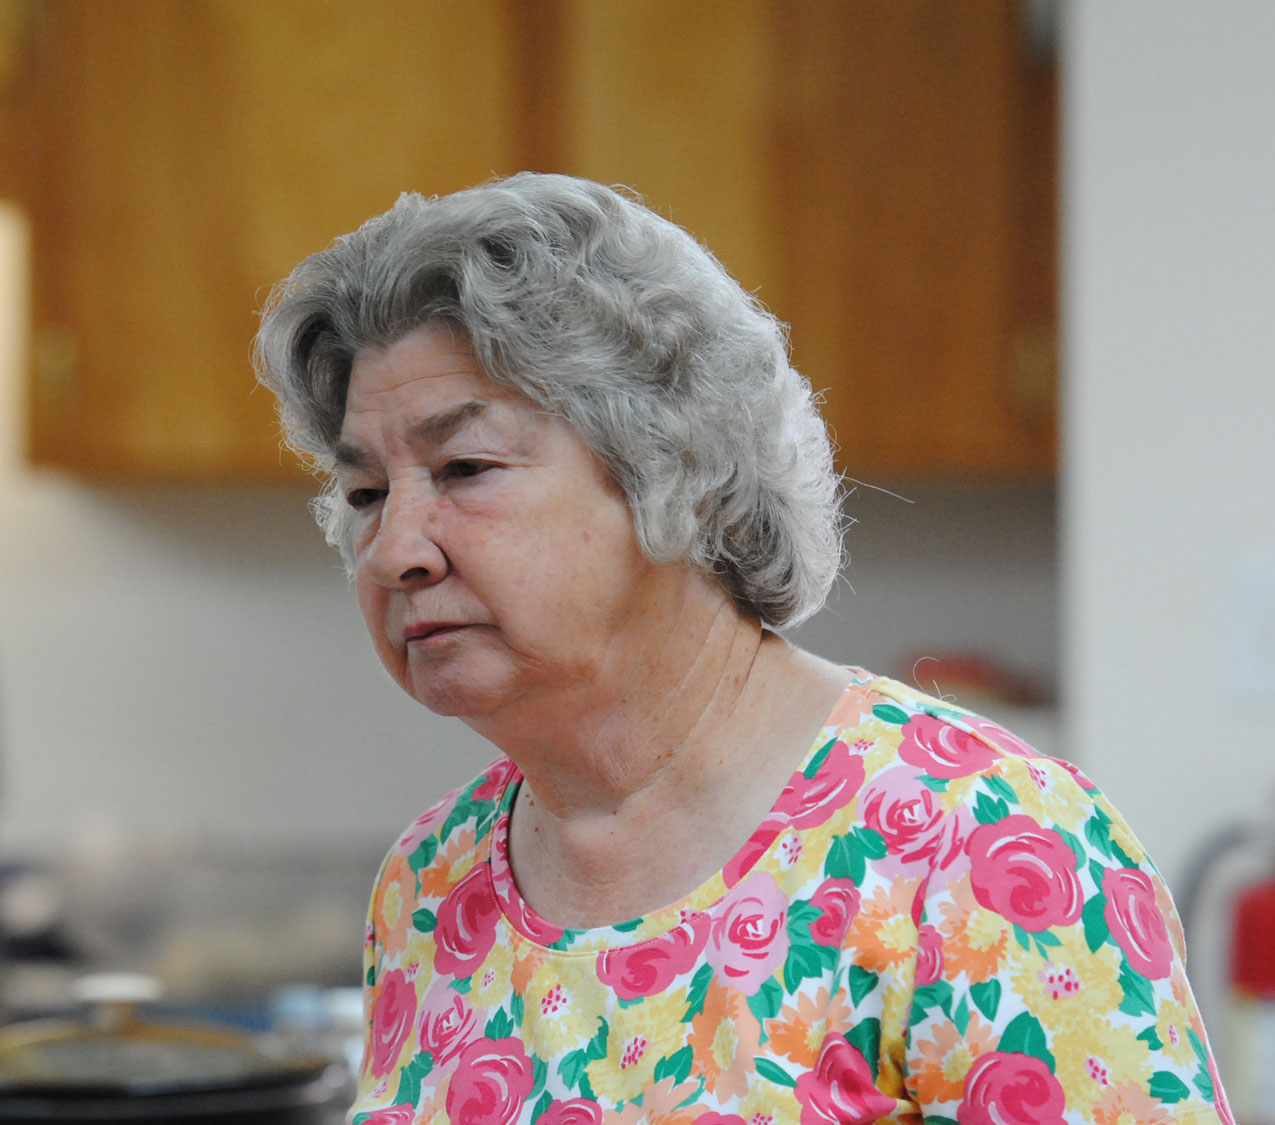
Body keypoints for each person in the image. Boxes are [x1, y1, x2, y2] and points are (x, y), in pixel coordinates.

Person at [255, 173, 1231, 1125]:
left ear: (675, 467)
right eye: (366, 492)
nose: (393, 550)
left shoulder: (987, 850)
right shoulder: (432, 882)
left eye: (465, 466)